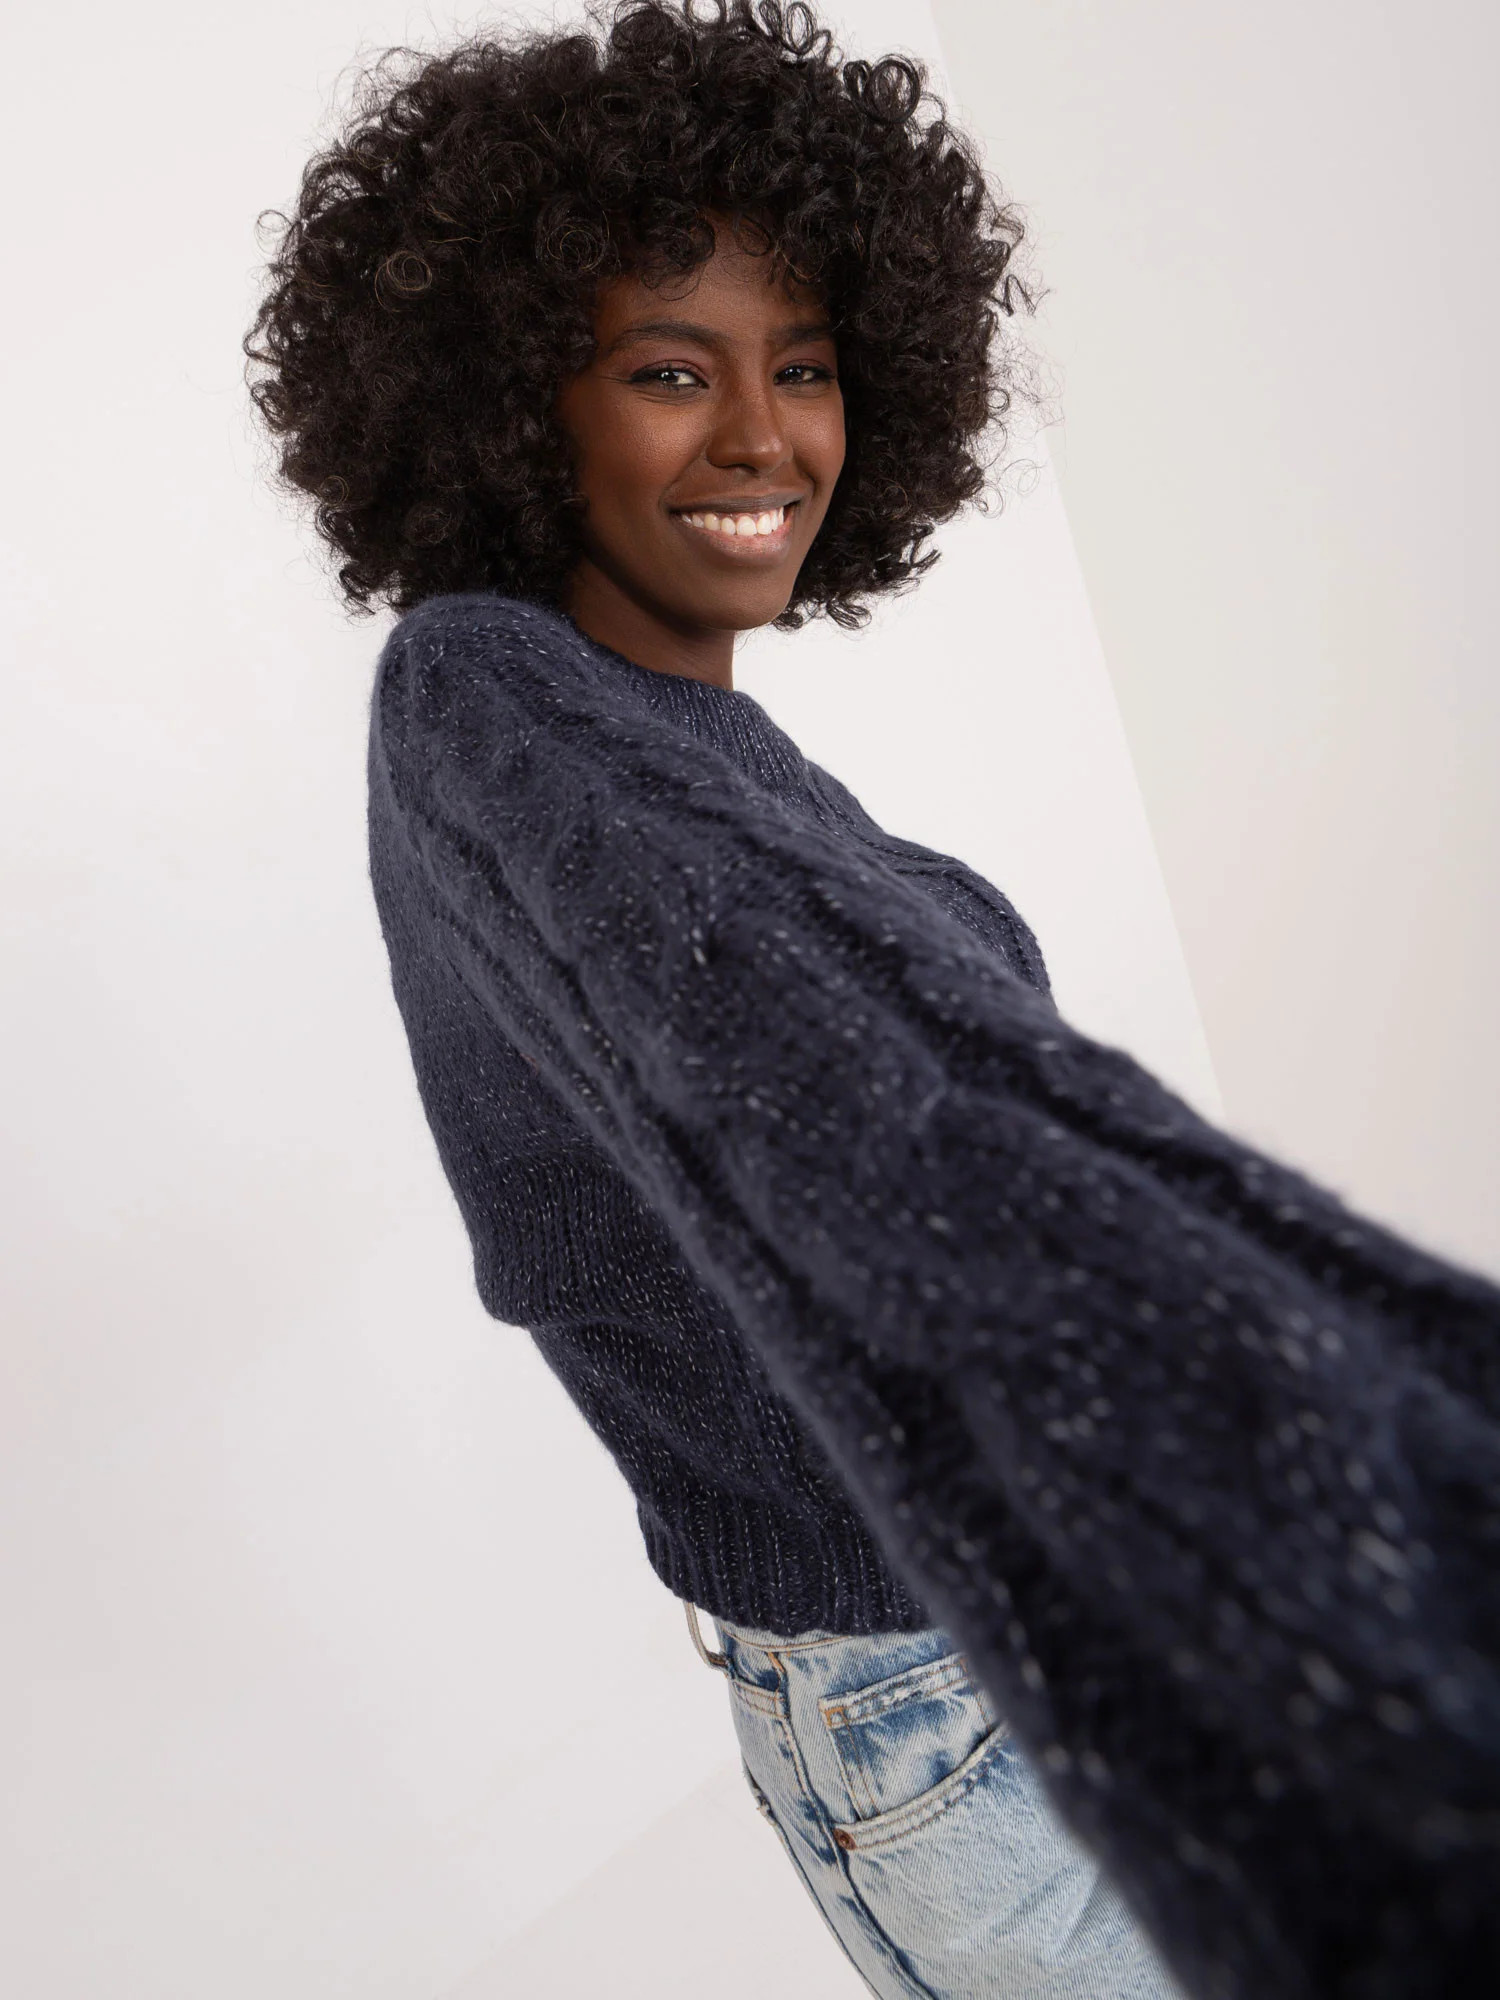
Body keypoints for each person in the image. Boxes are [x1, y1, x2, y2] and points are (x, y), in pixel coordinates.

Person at [242, 4, 1500, 1996]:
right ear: (507, 399)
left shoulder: (671, 731)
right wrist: (1379, 1460)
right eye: (673, 370)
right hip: (946, 1695)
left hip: (979, 1649)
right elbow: (873, 1107)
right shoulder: (490, 696)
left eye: (808, 365)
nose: (768, 436)